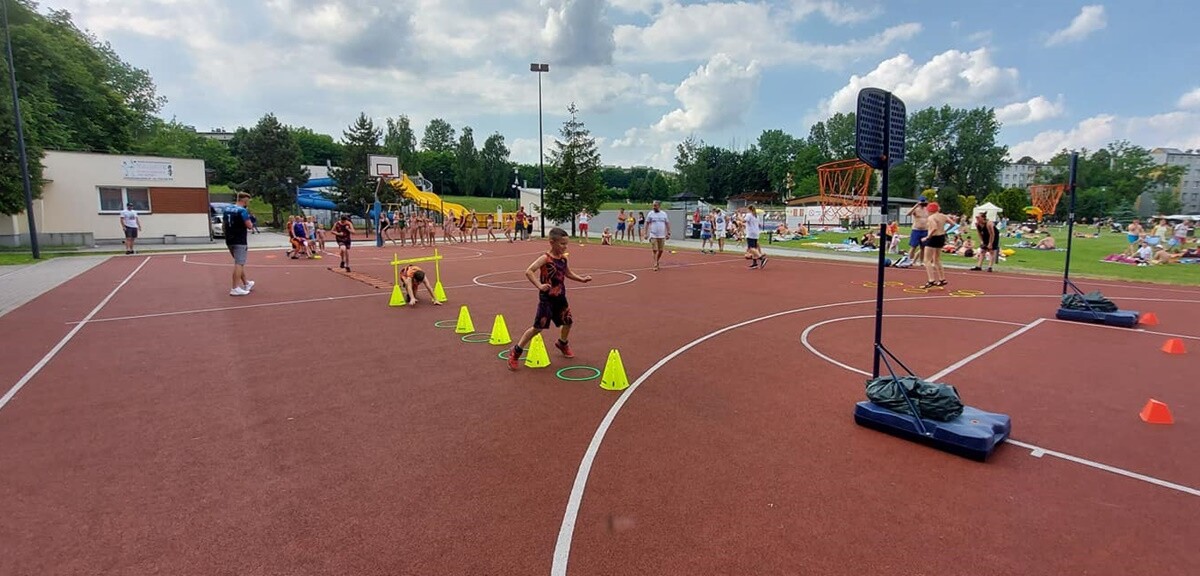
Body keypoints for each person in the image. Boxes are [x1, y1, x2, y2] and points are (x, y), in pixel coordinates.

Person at [507, 227, 593, 371]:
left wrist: (582, 279)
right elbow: (529, 271)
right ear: (552, 242)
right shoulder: (545, 258)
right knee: (537, 328)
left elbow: (568, 273)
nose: (565, 247)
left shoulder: (564, 258)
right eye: (562, 244)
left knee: (568, 322)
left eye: (566, 244)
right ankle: (516, 352)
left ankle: (562, 343)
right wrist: (539, 285)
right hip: (547, 299)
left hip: (560, 297)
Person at [222, 193, 255, 296]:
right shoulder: (242, 211)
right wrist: (252, 219)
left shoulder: (227, 209)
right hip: (239, 239)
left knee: (238, 262)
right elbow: (249, 226)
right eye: (248, 201)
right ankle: (235, 287)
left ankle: (246, 283)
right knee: (239, 263)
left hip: (229, 239)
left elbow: (224, 225)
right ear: (244, 200)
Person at [920, 202, 956, 289]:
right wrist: (945, 230)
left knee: (927, 260)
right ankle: (942, 279)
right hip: (941, 237)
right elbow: (953, 224)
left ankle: (931, 280)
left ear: (930, 210)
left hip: (934, 238)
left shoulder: (931, 217)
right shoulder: (943, 216)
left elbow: (934, 228)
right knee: (937, 259)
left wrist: (927, 237)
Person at [642, 200, 671, 271]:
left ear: (659, 206)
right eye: (653, 205)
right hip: (653, 234)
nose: (653, 207)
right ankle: (655, 263)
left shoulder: (664, 214)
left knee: (661, 250)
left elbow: (667, 223)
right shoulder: (650, 214)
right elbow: (646, 223)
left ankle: (657, 260)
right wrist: (645, 233)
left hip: (661, 235)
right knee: (655, 249)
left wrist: (668, 232)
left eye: (655, 205)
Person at [902, 196, 930, 267]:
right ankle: (909, 260)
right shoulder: (916, 209)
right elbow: (908, 214)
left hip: (925, 230)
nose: (923, 203)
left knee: (923, 247)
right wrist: (916, 205)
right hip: (916, 230)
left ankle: (921, 261)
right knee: (913, 246)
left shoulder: (927, 210)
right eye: (922, 202)